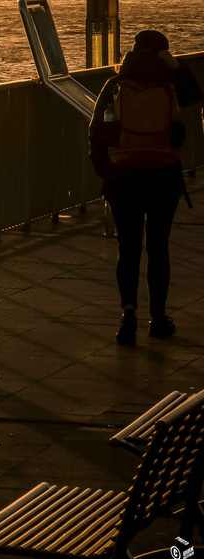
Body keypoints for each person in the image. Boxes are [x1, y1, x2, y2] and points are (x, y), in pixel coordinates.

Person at [89, 30, 200, 346]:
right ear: (163, 54)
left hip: (124, 176)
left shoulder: (115, 86)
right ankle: (159, 317)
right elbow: (197, 93)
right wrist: (176, 65)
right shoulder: (170, 85)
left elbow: (97, 131)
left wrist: (106, 172)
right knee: (158, 247)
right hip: (163, 175)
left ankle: (128, 315)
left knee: (128, 248)